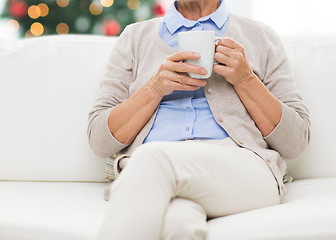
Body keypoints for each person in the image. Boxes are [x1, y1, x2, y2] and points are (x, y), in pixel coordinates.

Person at [87, 0, 310, 239]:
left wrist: (246, 80)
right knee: (178, 224)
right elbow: (100, 141)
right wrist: (153, 89)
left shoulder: (260, 36)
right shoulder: (134, 37)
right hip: (154, 174)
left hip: (244, 169)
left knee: (153, 158)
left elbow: (296, 142)